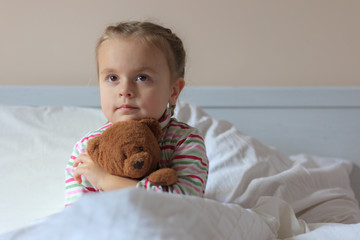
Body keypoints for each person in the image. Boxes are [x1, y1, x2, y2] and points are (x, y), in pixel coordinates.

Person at [64, 21, 208, 207]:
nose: (125, 90)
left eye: (142, 78)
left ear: (173, 91)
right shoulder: (88, 149)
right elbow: (78, 217)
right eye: (113, 78)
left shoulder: (184, 141)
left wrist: (106, 181)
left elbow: (184, 205)